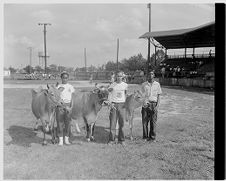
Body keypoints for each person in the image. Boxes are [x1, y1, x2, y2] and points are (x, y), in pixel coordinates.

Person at [140, 70, 162, 142]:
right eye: (149, 74)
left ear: (154, 75)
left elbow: (158, 96)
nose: (150, 75)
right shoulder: (143, 84)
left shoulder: (157, 84)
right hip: (146, 104)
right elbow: (142, 96)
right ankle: (145, 137)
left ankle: (152, 138)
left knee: (153, 121)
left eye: (152, 74)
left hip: (154, 104)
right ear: (147, 76)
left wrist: (157, 106)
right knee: (145, 122)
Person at [108, 71, 128, 145]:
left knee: (121, 123)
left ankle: (121, 140)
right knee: (113, 123)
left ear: (122, 77)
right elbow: (109, 94)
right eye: (118, 76)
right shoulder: (112, 85)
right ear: (116, 76)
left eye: (120, 76)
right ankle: (111, 140)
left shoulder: (125, 85)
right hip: (114, 105)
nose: (119, 77)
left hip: (122, 105)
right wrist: (111, 103)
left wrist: (125, 104)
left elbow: (125, 94)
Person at [56, 71, 75, 146]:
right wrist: (63, 106)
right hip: (60, 106)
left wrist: (71, 107)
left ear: (68, 78)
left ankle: (66, 139)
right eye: (63, 78)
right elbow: (57, 98)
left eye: (66, 78)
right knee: (60, 123)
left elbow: (73, 98)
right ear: (61, 78)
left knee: (68, 124)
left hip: (69, 106)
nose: (65, 79)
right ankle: (60, 140)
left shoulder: (70, 86)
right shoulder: (58, 87)